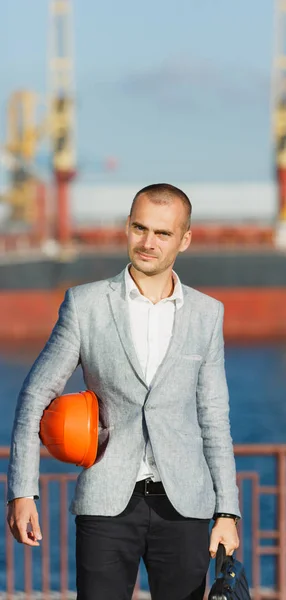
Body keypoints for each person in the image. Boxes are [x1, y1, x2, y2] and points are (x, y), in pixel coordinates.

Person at [7, 183, 240, 600]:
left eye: (163, 233)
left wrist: (227, 511)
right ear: (128, 227)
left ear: (184, 240)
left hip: (185, 507)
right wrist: (23, 492)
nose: (148, 243)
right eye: (139, 228)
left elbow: (214, 418)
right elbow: (34, 397)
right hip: (107, 503)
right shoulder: (86, 304)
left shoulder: (208, 314)